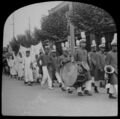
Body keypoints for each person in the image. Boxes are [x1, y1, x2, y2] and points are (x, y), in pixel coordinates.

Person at [105, 33, 117, 99]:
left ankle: (110, 94)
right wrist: (107, 72)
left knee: (112, 83)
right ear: (111, 46)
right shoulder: (109, 53)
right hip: (112, 71)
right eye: (113, 46)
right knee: (115, 83)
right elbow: (107, 63)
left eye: (116, 46)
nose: (115, 47)